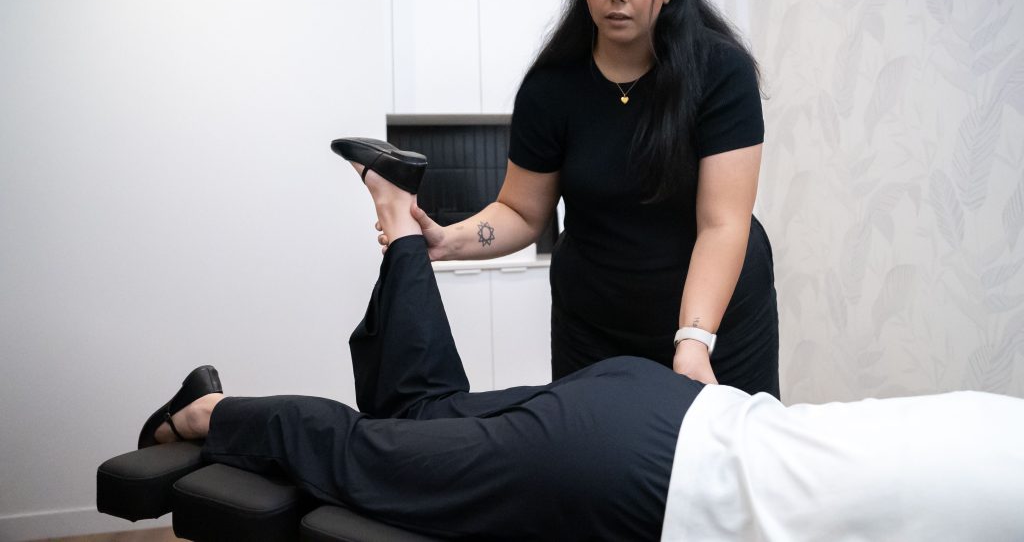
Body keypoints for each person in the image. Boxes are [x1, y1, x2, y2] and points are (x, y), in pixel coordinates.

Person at [139, 140, 1024, 541]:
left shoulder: (1002, 422)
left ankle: (399, 221)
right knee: (370, 456)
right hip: (633, 479)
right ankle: (199, 415)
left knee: (425, 418)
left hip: (658, 414)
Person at [377, 0, 779, 394]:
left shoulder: (719, 71)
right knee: (595, 465)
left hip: (715, 324)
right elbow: (522, 213)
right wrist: (449, 240)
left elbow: (722, 222)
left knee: (725, 462)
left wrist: (693, 338)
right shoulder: (551, 88)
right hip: (594, 327)